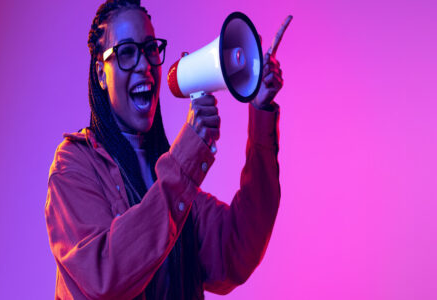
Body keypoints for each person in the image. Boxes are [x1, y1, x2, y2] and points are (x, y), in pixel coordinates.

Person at [44, 0, 283, 298]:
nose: (144, 65)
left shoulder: (177, 184)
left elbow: (237, 251)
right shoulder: (74, 164)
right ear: (101, 74)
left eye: (150, 49)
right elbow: (105, 278)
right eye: (127, 52)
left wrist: (261, 112)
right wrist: (188, 158)